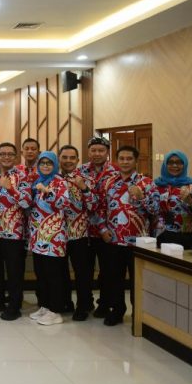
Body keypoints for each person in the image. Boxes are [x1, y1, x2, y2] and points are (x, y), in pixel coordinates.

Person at [98, 145, 158, 326]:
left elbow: (155, 210)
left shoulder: (146, 183)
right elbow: (99, 208)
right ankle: (117, 311)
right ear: (117, 160)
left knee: (137, 281)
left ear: (136, 161)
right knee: (114, 279)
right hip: (113, 239)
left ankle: (138, 315)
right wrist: (103, 229)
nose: (125, 162)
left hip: (138, 242)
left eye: (129, 159)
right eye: (122, 159)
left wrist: (141, 197)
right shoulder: (108, 182)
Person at [27, 151, 80, 326]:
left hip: (53, 236)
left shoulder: (59, 181)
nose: (45, 166)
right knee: (41, 273)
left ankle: (56, 310)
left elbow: (63, 203)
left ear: (55, 165)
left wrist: (47, 192)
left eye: (49, 163)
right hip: (37, 234)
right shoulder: (37, 181)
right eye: (42, 163)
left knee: (53, 275)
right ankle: (45, 305)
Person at [0, 142, 31, 321]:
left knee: (14, 271)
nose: (6, 157)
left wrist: (10, 188)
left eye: (10, 154)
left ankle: (14, 305)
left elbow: (26, 202)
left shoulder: (23, 176)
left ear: (16, 156)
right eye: (2, 154)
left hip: (14, 231)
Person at [78, 136, 118, 318]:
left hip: (108, 232)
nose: (97, 154)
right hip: (84, 230)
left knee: (107, 271)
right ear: (88, 151)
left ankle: (104, 304)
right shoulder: (81, 171)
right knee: (84, 271)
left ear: (107, 152)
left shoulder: (116, 172)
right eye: (93, 150)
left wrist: (103, 228)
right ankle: (85, 303)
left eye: (101, 150)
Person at [58, 145, 96, 321]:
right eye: (64, 157)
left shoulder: (86, 179)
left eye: (72, 157)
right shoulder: (54, 179)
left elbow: (94, 206)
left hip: (78, 233)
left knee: (82, 273)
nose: (68, 161)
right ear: (59, 158)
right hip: (57, 234)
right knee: (60, 272)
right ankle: (65, 302)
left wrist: (84, 189)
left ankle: (84, 305)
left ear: (78, 159)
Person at [153, 150, 192, 250]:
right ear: (165, 164)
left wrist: (190, 201)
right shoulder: (156, 184)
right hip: (159, 235)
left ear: (184, 164)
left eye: (179, 162)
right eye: (170, 162)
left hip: (184, 236)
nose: (175, 165)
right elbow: (150, 209)